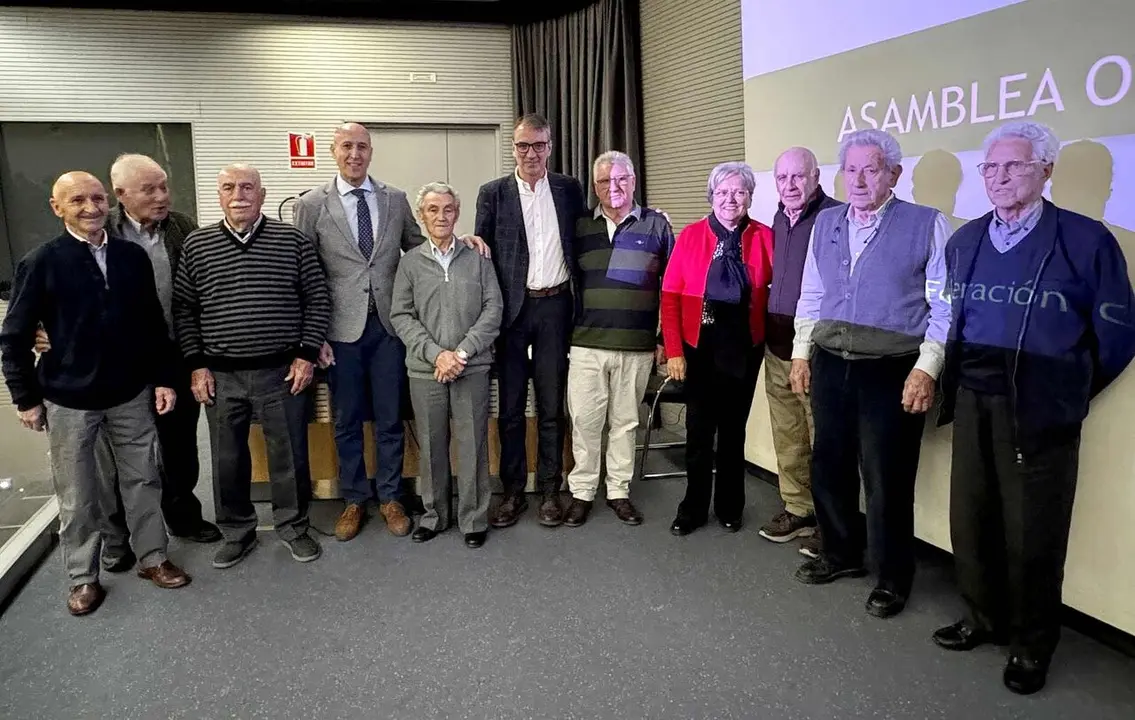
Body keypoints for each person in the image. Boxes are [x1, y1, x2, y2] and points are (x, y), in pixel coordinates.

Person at [934, 121, 1135, 695]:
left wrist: (1068, 389)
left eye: (1014, 166)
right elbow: (944, 315)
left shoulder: (1086, 239)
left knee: (1034, 532)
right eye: (990, 168)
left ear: (1046, 171)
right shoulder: (965, 240)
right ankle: (982, 616)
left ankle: (1030, 645)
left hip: (1041, 408)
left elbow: (1118, 333)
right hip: (974, 398)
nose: (999, 177)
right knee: (972, 517)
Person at [1, 171, 191, 616]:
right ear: (56, 207)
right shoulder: (41, 262)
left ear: (110, 202)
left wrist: (164, 377)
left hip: (130, 392)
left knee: (143, 478)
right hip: (68, 399)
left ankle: (153, 558)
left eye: (97, 198)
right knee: (78, 492)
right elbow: (14, 336)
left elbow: (152, 326)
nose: (90, 208)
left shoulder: (130, 257)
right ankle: (83, 577)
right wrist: (25, 398)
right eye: (77, 200)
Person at [292, 122, 488, 542]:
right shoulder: (311, 204)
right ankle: (353, 500)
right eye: (346, 146)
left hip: (388, 328)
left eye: (362, 146)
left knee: (389, 418)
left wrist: (465, 239)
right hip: (339, 332)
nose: (355, 154)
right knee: (345, 419)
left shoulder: (395, 199)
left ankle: (391, 497)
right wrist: (314, 337)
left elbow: (425, 246)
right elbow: (304, 273)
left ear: (371, 151)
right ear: (333, 151)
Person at [789, 129, 952, 620]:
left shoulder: (928, 225)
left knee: (886, 477)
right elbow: (811, 294)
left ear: (894, 175)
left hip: (893, 367)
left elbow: (945, 306)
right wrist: (801, 353)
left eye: (872, 168)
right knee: (830, 463)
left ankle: (891, 576)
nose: (859, 179)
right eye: (851, 169)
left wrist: (927, 368)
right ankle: (839, 554)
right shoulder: (827, 223)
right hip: (831, 359)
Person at [47, 154, 221, 575]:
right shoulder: (95, 229)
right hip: (116, 364)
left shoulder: (182, 227)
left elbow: (200, 286)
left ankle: (182, 515)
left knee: (179, 445)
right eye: (150, 190)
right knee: (114, 459)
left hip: (173, 354)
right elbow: (51, 285)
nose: (161, 197)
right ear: (120, 195)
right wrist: (45, 329)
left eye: (164, 187)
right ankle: (117, 536)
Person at [173, 164, 331, 568]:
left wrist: (306, 354)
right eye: (229, 187)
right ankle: (236, 531)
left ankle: (293, 528)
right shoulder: (197, 245)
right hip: (220, 375)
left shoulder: (291, 240)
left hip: (282, 372)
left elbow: (317, 298)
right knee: (227, 459)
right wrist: (196, 365)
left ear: (262, 195)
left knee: (289, 454)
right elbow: (185, 310)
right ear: (219, 195)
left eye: (248, 187)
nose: (239, 194)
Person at [475, 113, 587, 528]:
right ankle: (511, 493)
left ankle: (549, 491)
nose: (531, 153)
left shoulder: (569, 189)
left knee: (551, 406)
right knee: (509, 410)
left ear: (550, 147)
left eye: (539, 145)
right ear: (513, 148)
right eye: (523, 145)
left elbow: (591, 234)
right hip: (511, 313)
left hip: (556, 307)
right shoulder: (493, 193)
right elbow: (482, 250)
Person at [660, 161, 773, 536]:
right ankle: (692, 508)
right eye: (723, 192)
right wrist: (674, 350)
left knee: (733, 432)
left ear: (749, 197)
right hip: (699, 345)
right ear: (711, 196)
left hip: (744, 347)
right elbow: (670, 296)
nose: (730, 199)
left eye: (739, 192)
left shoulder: (763, 237)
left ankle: (729, 505)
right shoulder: (691, 236)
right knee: (698, 431)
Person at [563, 151, 673, 527]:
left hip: (636, 345)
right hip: (586, 343)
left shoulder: (656, 226)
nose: (615, 187)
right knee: (585, 421)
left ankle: (618, 491)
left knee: (625, 422)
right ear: (595, 187)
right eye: (606, 181)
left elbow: (672, 287)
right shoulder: (578, 228)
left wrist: (663, 338)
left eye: (622, 179)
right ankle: (582, 492)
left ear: (634, 181)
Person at [390, 182, 503, 548]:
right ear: (421, 216)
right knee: (432, 445)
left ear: (457, 213)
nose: (441, 216)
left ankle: (472, 519)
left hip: (471, 368)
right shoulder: (409, 263)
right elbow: (401, 316)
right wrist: (436, 354)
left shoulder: (479, 258)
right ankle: (434, 515)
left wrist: (462, 353)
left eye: (448, 209)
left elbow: (493, 309)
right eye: (433, 210)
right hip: (426, 371)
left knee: (472, 446)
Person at [759, 147, 840, 550]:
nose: (789, 185)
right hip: (777, 344)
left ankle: (832, 521)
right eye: (782, 178)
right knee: (788, 432)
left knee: (823, 436)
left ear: (815, 176)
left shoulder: (835, 217)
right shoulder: (776, 217)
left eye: (797, 177)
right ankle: (798, 508)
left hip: (816, 347)